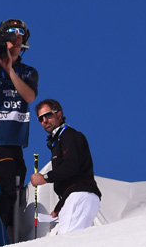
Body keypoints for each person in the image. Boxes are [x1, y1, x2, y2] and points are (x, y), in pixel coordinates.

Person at [0, 18, 39, 234]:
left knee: (16, 188)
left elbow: (29, 96)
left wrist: (10, 69)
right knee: (1, 188)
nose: (16, 36)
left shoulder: (28, 71)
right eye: (11, 32)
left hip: (14, 138)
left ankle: (7, 233)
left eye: (20, 33)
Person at [30, 99, 101, 234]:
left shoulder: (69, 135)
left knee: (65, 241)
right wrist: (60, 205)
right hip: (77, 197)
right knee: (68, 239)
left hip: (80, 195)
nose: (44, 120)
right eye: (40, 118)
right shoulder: (58, 140)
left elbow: (71, 166)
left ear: (59, 115)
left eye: (48, 115)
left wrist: (44, 177)